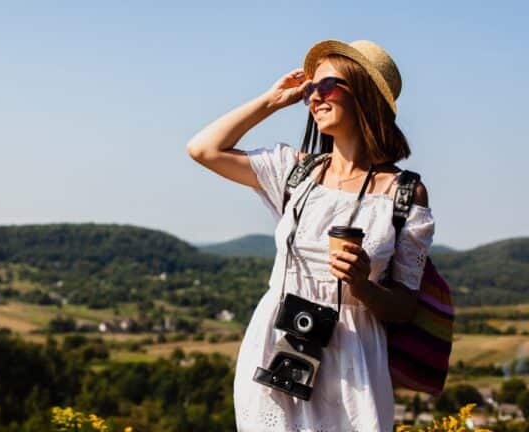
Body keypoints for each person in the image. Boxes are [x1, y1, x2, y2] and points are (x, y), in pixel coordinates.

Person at [186, 39, 435, 431]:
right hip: (277, 352)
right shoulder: (296, 173)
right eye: (310, 90)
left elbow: (405, 307)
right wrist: (272, 101)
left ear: (365, 93)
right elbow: (203, 148)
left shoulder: (403, 194)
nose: (313, 98)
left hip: (355, 368)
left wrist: (363, 286)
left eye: (326, 87)